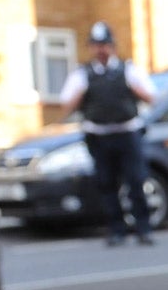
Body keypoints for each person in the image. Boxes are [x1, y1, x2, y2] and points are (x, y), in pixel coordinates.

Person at [59, 21, 159, 246]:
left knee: (136, 180)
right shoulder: (83, 74)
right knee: (106, 183)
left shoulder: (128, 70)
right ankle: (116, 230)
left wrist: (128, 87)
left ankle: (143, 228)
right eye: (95, 45)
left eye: (104, 45)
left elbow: (151, 96)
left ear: (112, 46)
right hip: (99, 135)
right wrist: (84, 92)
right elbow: (67, 103)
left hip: (127, 133)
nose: (100, 50)